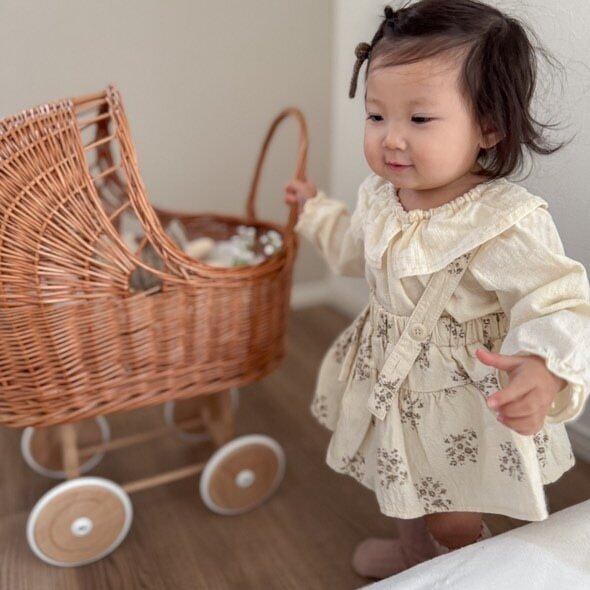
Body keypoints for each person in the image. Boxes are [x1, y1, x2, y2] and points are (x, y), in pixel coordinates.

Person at [284, 0, 590, 580]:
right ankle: (412, 554)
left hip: (459, 395)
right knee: (398, 478)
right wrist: (314, 209)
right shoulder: (381, 196)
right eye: (377, 116)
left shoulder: (504, 221)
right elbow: (352, 248)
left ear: (489, 127)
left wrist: (545, 366)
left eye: (420, 119)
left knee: (451, 509)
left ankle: (457, 566)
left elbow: (560, 299)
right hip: (390, 373)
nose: (391, 140)